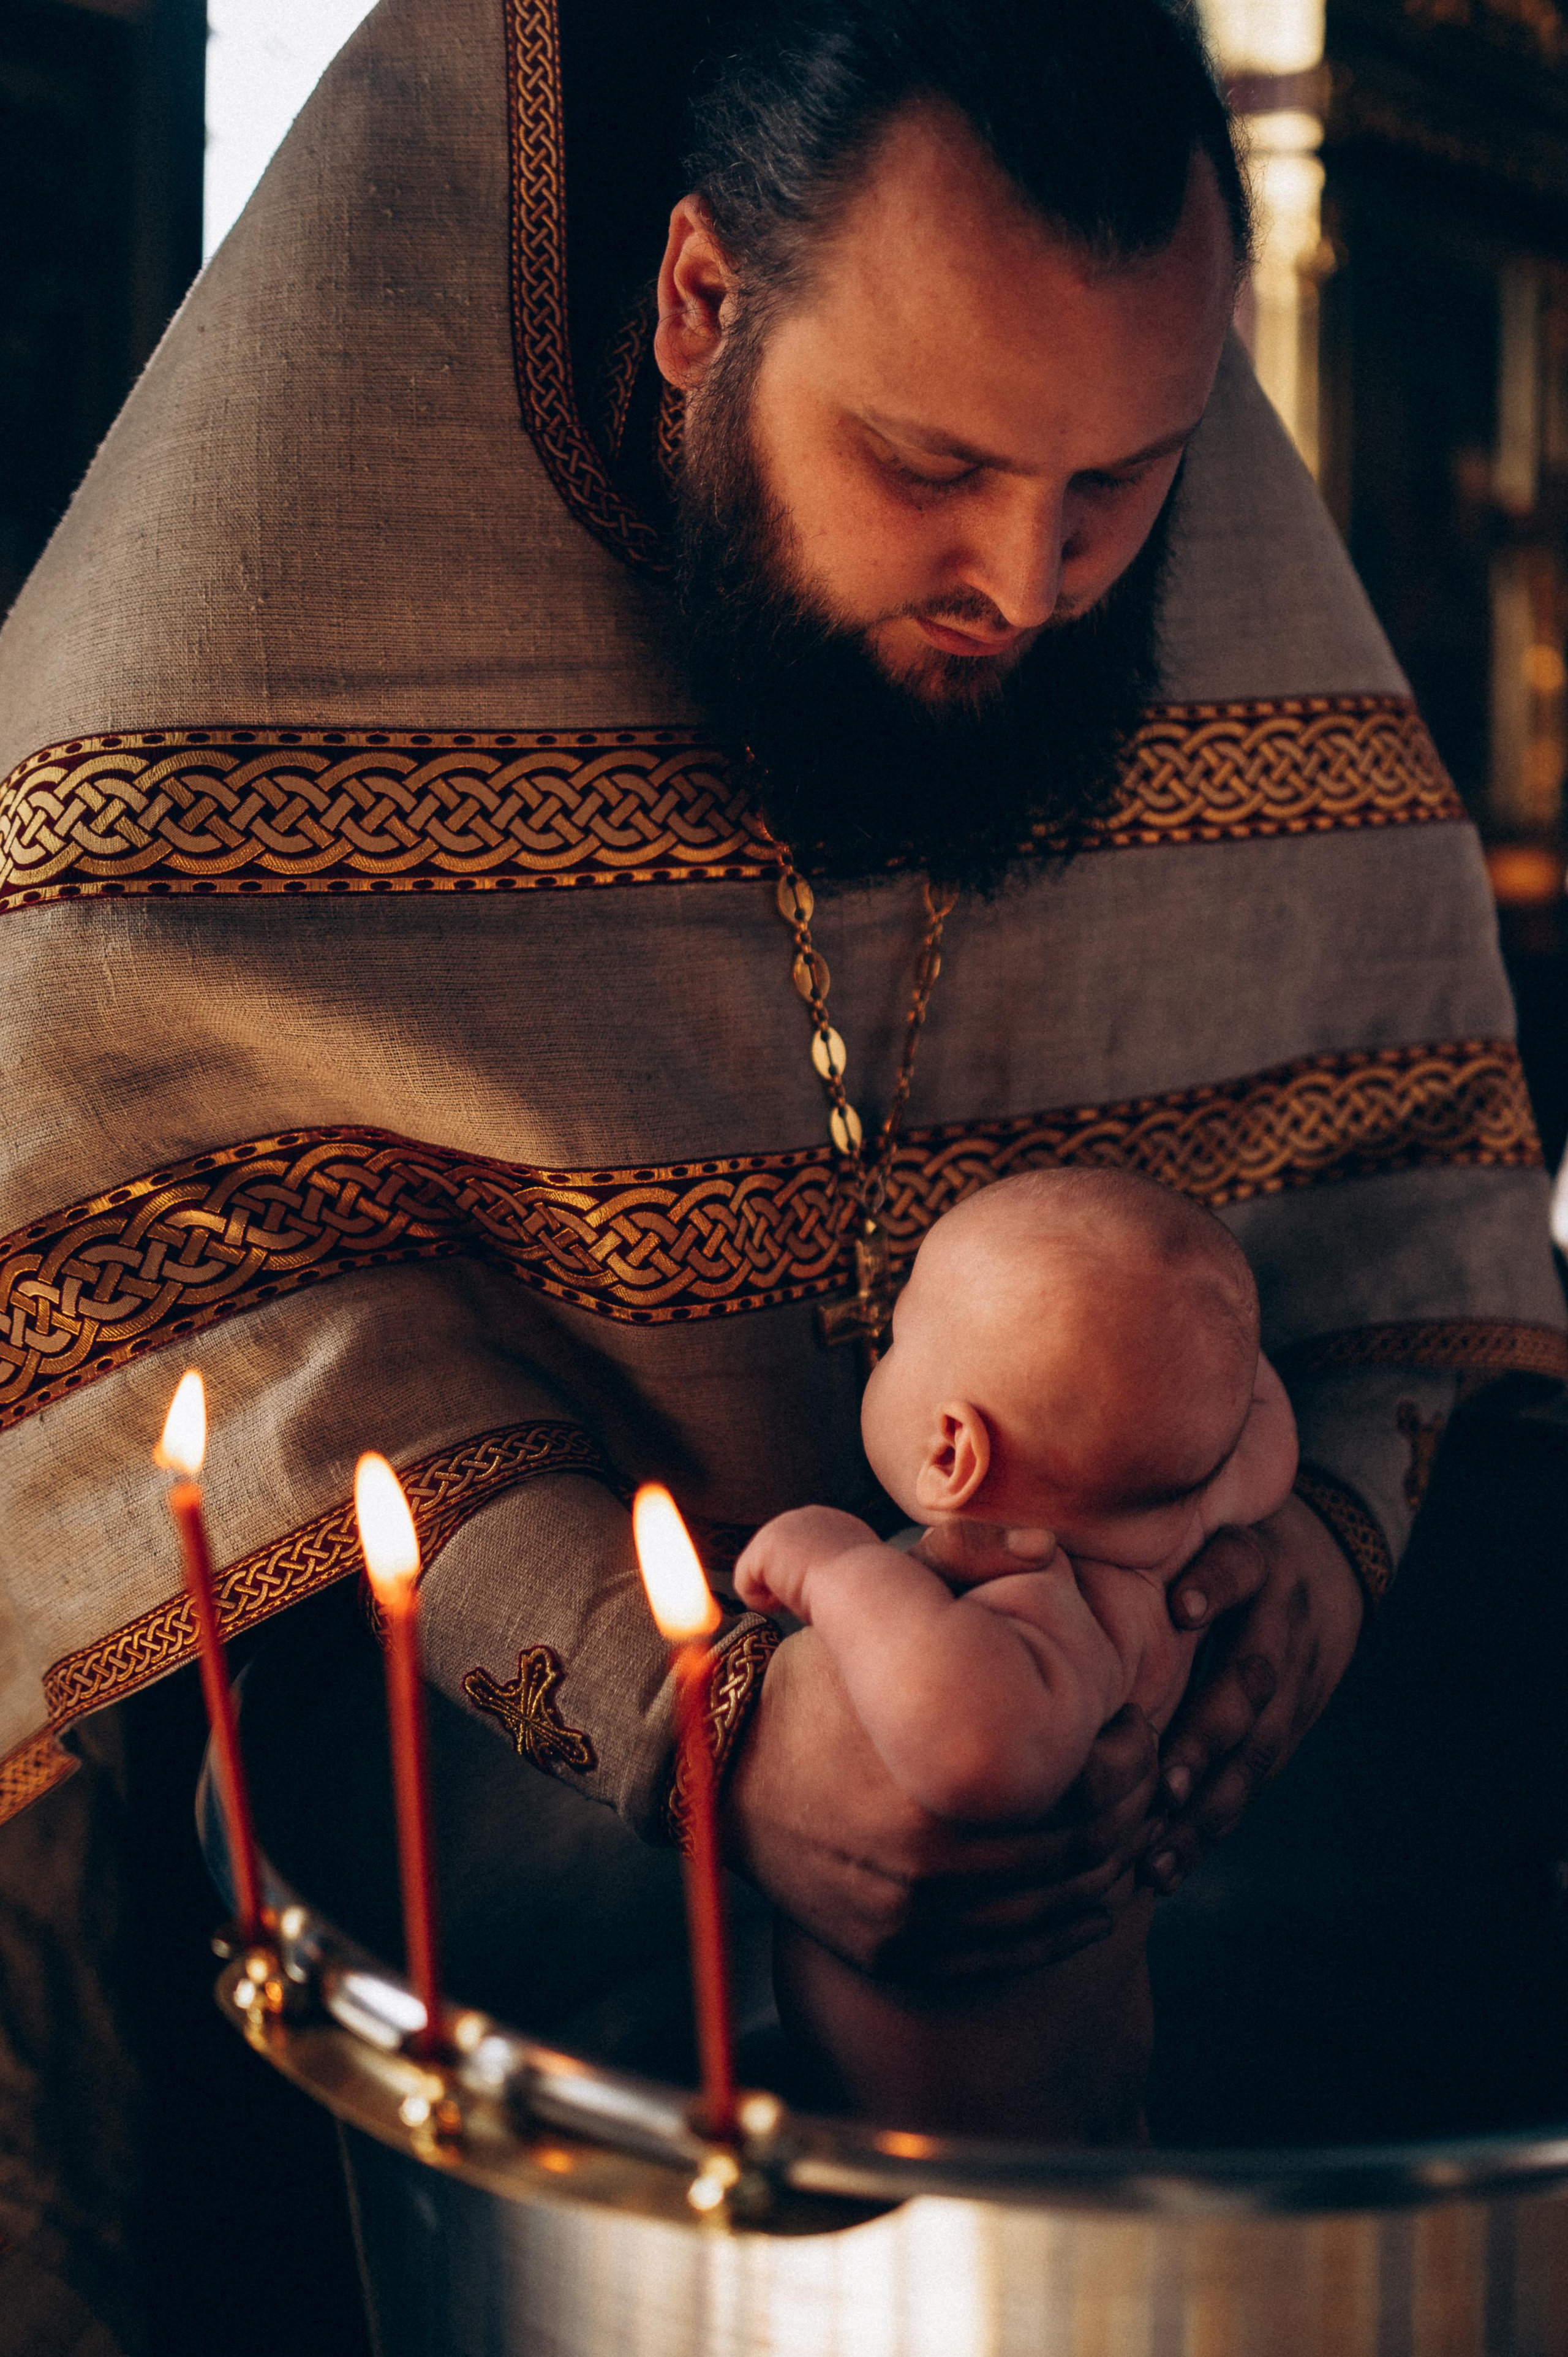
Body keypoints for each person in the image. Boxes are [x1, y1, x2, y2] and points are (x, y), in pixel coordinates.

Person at [0, 0, 1562, 2334]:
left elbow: (1396, 1179)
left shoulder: (1132, 565)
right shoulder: (278, 613)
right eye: (929, 462)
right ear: (697, 301)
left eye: (1127, 479)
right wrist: (696, 1717)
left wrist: (1329, 1528)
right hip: (453, 2059)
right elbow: (152, 1315)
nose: (1032, 581)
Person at [738, 1168, 1297, 2132]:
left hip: (946, 2150)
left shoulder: (1039, 1610)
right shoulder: (1193, 1516)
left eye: (901, 1335)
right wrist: (1167, 1352)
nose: (882, 1341)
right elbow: (1255, 1414)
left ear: (951, 1452)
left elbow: (977, 1750)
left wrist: (836, 1569)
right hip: (1085, 2086)